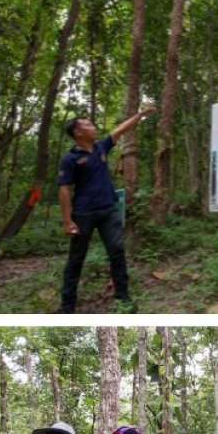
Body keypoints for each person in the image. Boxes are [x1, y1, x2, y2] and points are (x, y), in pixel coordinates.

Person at [56, 105, 156, 314]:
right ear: (78, 132)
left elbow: (120, 130)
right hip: (83, 214)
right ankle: (67, 306)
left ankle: (123, 298)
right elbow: (64, 189)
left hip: (108, 210)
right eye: (88, 124)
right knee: (76, 259)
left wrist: (140, 114)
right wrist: (67, 220)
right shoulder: (70, 158)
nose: (93, 127)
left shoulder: (101, 147)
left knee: (117, 252)